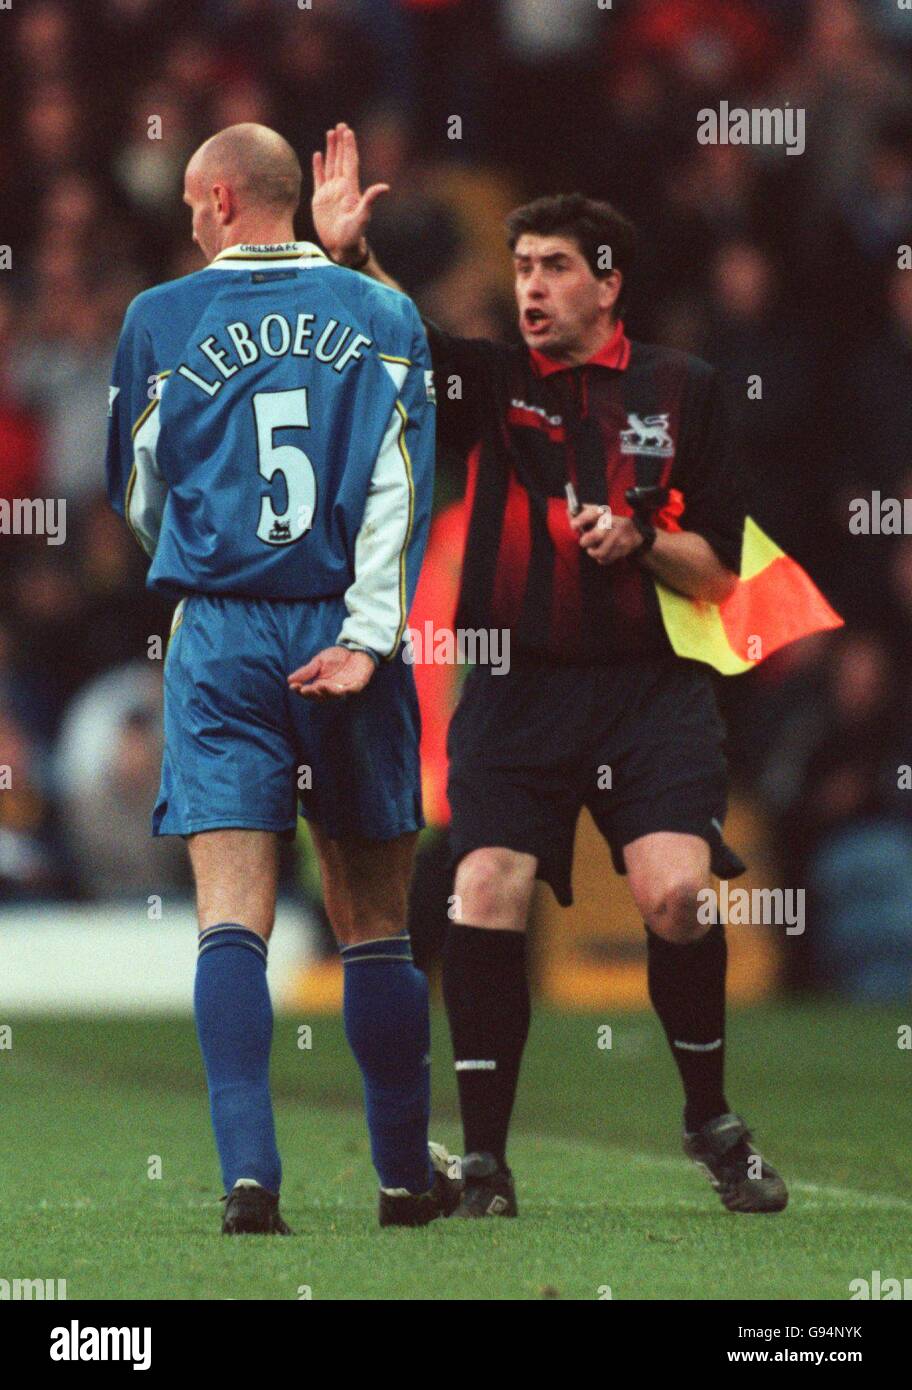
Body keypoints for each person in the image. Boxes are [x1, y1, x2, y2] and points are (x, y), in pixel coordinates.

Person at [312, 122, 788, 1218]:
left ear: (608, 283)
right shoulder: (491, 383)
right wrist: (351, 256)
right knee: (484, 889)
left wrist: (641, 541)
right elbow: (409, 336)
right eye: (521, 267)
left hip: (648, 691)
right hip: (517, 688)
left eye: (555, 268)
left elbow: (719, 572)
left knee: (675, 897)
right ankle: (485, 1163)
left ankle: (710, 1121)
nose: (531, 287)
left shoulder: (688, 390)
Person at [106, 122, 458, 1234]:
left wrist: (213, 569)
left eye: (186, 204)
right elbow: (406, 486)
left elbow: (141, 494)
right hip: (341, 632)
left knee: (232, 919)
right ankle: (405, 1177)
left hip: (217, 638)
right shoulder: (381, 314)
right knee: (373, 920)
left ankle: (249, 1177)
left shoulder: (157, 321)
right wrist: (364, 632)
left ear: (218, 201)